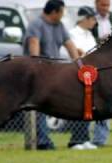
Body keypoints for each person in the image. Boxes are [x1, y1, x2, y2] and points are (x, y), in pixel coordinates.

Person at [23, 0, 79, 150]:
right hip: (38, 73)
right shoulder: (36, 25)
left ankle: (77, 139)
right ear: (54, 12)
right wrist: (38, 71)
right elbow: (34, 49)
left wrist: (79, 65)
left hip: (54, 73)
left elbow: (70, 46)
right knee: (40, 107)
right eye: (62, 12)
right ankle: (42, 141)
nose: (63, 15)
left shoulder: (59, 26)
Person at [67, 6, 98, 150]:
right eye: (92, 18)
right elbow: (76, 53)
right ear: (84, 19)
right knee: (79, 105)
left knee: (89, 105)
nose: (94, 22)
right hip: (77, 74)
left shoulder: (89, 35)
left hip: (90, 75)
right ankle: (76, 140)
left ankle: (84, 138)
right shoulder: (72, 34)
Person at [90, 0, 112, 147]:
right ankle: (91, 138)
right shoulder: (90, 17)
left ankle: (101, 138)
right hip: (92, 65)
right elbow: (86, 37)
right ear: (96, 4)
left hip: (110, 66)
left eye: (107, 5)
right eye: (102, 5)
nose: (105, 8)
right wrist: (100, 41)